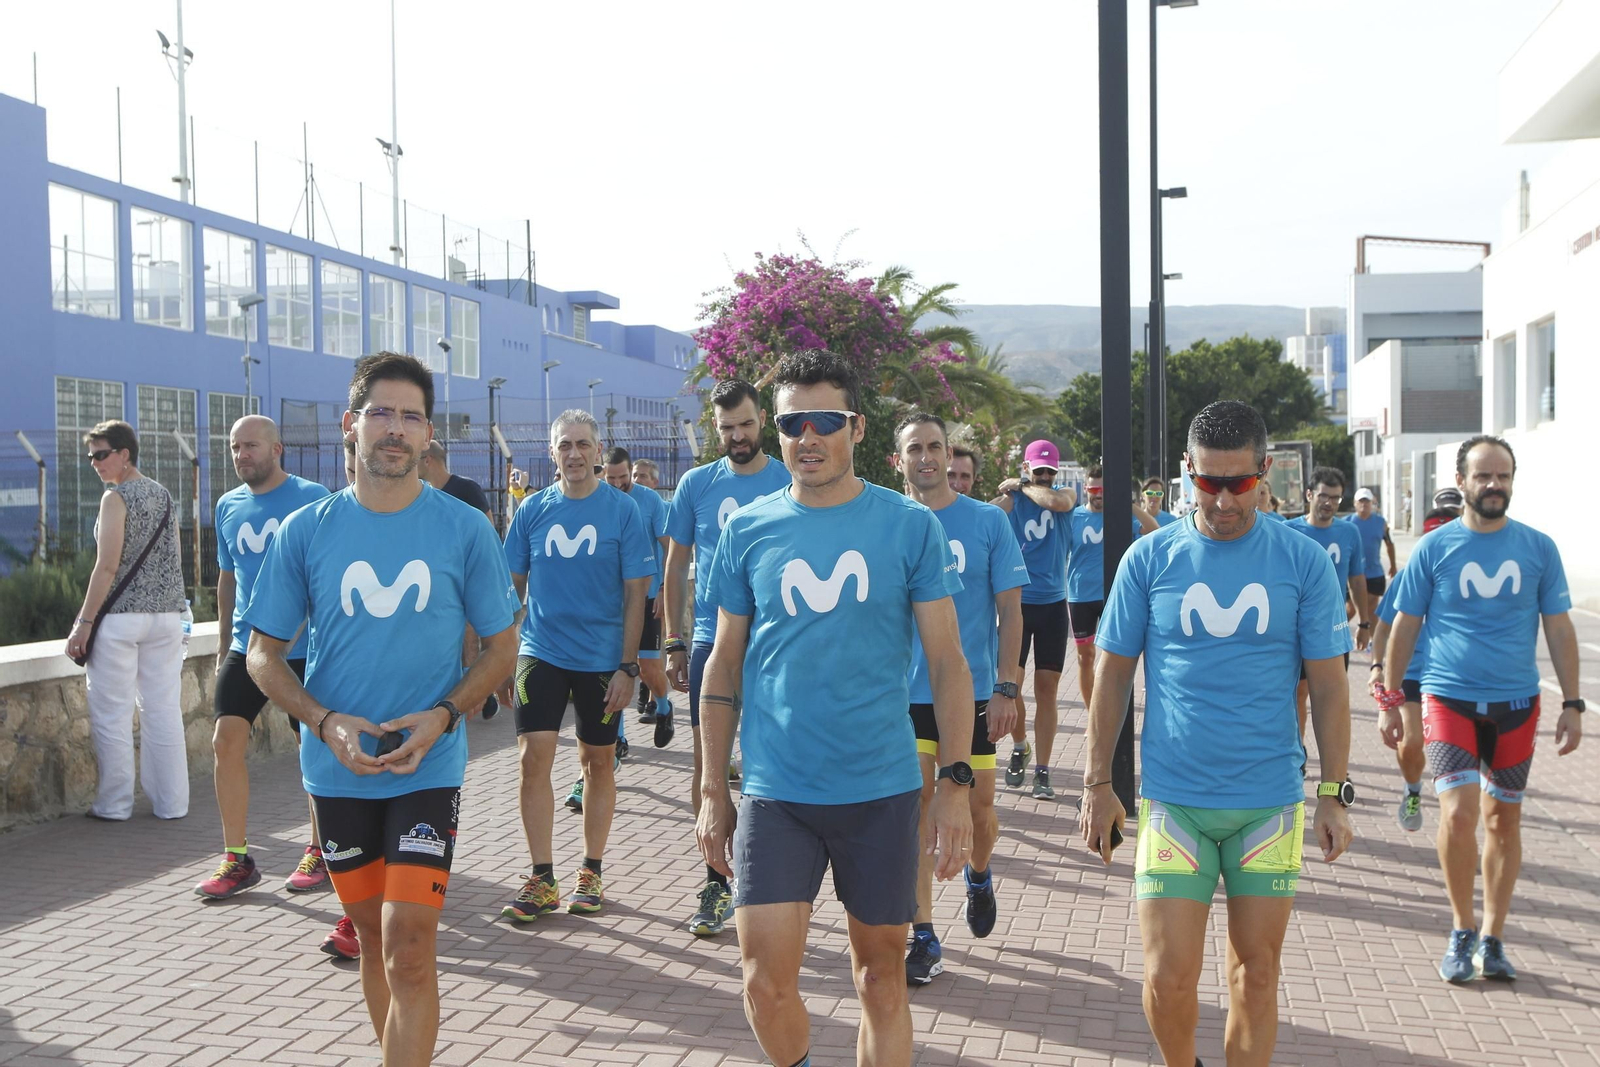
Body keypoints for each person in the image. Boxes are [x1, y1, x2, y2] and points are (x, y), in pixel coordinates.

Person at [697, 349, 973, 1067]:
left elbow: (946, 661)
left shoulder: (908, 526)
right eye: (793, 421)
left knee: (881, 979)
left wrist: (954, 782)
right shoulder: (747, 529)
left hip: (878, 789)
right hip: (776, 790)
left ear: (854, 425)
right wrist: (709, 788)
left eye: (825, 420)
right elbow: (723, 663)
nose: (807, 436)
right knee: (762, 982)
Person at [245, 352, 519, 1067]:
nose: (396, 429)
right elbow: (261, 654)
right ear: (351, 424)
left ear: (428, 434)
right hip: (337, 773)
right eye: (382, 412)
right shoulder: (305, 531)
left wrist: (445, 714)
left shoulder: (465, 529)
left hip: (428, 763)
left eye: (411, 416)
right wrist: (324, 719)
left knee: (409, 944)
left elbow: (501, 647)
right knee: (371, 937)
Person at [1080, 400, 1353, 1067]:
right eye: (1209, 482)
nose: (1225, 499)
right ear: (1187, 474)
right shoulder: (1150, 560)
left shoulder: (1304, 563)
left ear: (1265, 471)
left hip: (1268, 804)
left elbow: (1328, 685)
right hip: (1175, 802)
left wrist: (1333, 791)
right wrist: (1099, 784)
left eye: (1239, 481)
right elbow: (1112, 679)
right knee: (1166, 978)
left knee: (1255, 974)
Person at [1381, 434, 1583, 984]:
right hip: (1450, 700)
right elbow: (1404, 626)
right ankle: (1461, 926)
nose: (1495, 486)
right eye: (1484, 476)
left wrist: (1572, 703)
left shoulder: (1539, 548)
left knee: (1503, 819)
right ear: (1462, 481)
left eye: (1503, 476)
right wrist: (1390, 699)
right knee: (1460, 814)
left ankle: (1493, 936)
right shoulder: (1435, 548)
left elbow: (1560, 628)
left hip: (1518, 706)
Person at [500, 410, 654, 921]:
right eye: (564, 445)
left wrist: (627, 666)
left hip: (600, 660)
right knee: (533, 757)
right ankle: (542, 877)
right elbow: (511, 590)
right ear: (552, 454)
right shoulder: (532, 511)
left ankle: (591, 870)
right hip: (540, 651)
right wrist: (499, 658)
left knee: (597, 762)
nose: (574, 453)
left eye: (583, 444)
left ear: (597, 448)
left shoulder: (623, 512)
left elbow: (637, 593)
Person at [894, 412, 1026, 984]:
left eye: (935, 447)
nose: (926, 457)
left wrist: (1006, 687)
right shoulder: (888, 523)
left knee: (979, 810)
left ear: (949, 455)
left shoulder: (987, 523)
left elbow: (1011, 611)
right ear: (897, 459)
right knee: (919, 810)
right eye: (914, 448)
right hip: (905, 694)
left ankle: (978, 873)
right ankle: (922, 935)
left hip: (969, 694)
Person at [663, 378, 792, 936]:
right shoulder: (696, 484)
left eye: (744, 424)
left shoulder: (787, 477)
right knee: (707, 761)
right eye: (726, 428)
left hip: (772, 640)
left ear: (761, 420)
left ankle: (777, 881)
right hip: (710, 640)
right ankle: (714, 882)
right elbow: (674, 567)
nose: (737, 436)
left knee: (768, 755)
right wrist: (671, 638)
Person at [197, 416, 331, 901]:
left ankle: (321, 850)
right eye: (234, 447)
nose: (240, 455)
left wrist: (297, 629)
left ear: (277, 449)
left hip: (302, 650)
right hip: (245, 648)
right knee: (225, 740)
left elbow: (324, 571)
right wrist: (221, 646)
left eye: (250, 445)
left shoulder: (312, 496)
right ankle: (237, 858)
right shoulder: (228, 504)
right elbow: (228, 579)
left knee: (311, 748)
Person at [65, 420, 188, 822]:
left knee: (112, 713)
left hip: (121, 619)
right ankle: (172, 804)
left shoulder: (115, 498)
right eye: (90, 457)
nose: (95, 463)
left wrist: (84, 622)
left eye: (101, 455)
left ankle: (114, 805)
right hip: (167, 618)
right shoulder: (164, 494)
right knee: (163, 710)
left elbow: (106, 567)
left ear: (124, 454)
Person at [990, 441, 1076, 798]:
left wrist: (1023, 484)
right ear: (1027, 466)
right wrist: (1010, 492)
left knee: (1047, 690)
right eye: (1037, 469)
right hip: (1019, 607)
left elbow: (1057, 502)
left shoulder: (1065, 495)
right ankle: (1020, 744)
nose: (1044, 476)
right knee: (1013, 683)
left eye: (1048, 471)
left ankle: (1042, 769)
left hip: (1054, 606)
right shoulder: (1015, 500)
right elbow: (989, 513)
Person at [1063, 464, 1156, 777]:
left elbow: (1153, 530)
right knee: (1084, 657)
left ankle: (1107, 717)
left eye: (1104, 490)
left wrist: (1126, 502)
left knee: (1112, 658)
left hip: (1112, 595)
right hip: (1079, 597)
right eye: (1093, 490)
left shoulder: (1121, 515)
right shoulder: (1074, 517)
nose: (1099, 496)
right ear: (1085, 490)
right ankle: (1094, 716)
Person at [1285, 466, 1371, 746]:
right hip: (1293, 631)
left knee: (1332, 697)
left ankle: (1335, 764)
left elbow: (1357, 581)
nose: (1329, 503)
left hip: (1333, 631)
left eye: (1335, 498)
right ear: (1309, 494)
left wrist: (1364, 624)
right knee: (1298, 693)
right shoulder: (1289, 531)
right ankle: (1296, 756)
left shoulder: (1349, 532)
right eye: (1323, 495)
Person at [603, 447, 674, 745]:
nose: (618, 483)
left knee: (648, 669)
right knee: (612, 669)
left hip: (646, 597)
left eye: (623, 477)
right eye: (611, 478)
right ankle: (618, 739)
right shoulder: (599, 499)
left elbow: (669, 547)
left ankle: (663, 707)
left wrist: (662, 590)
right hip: (611, 600)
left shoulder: (650, 501)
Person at [1368, 574, 1429, 833]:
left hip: (1454, 673)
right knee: (1411, 742)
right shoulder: (1410, 576)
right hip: (1411, 671)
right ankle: (1413, 789)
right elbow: (1382, 630)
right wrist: (1377, 667)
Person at [1346, 488, 1396, 622]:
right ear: (1355, 503)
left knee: (1371, 610)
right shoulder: (1346, 523)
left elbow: (1389, 544)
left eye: (1367, 501)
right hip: (1352, 575)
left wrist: (1393, 565)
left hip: (1374, 573)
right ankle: (1336, 633)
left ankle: (1372, 641)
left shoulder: (1381, 522)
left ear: (1372, 503)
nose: (1364, 504)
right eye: (1361, 501)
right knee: (1351, 609)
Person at [417, 441, 491, 523]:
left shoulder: (468, 489)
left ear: (427, 460)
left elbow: (488, 528)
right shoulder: (426, 496)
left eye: (415, 460)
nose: (412, 467)